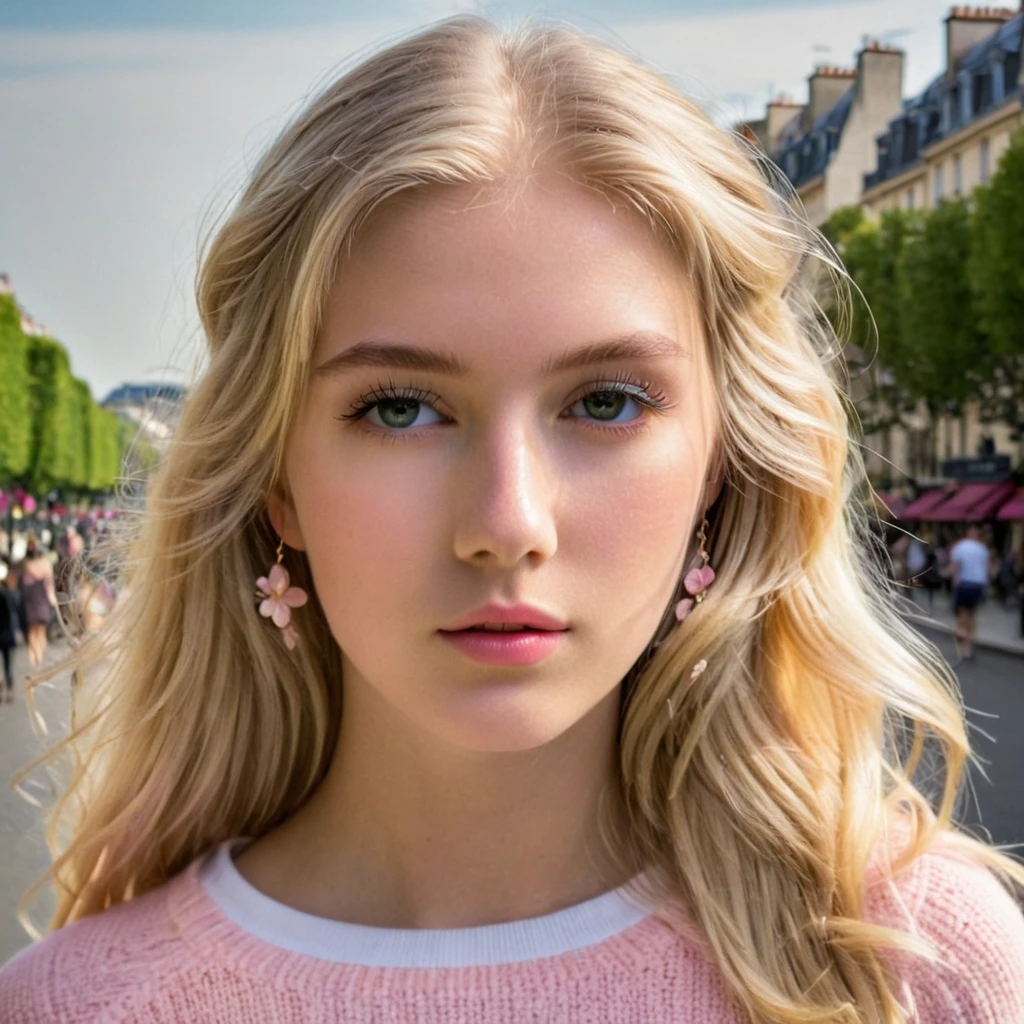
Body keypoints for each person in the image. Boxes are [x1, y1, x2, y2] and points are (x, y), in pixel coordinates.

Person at [3, 16, 1024, 1024]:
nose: (506, 522)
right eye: (399, 407)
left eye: (606, 402)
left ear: (722, 463)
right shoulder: (68, 1006)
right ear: (278, 477)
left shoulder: (919, 963)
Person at [948, 523, 993, 661]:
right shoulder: (983, 549)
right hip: (978, 586)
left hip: (964, 584)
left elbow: (954, 567)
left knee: (962, 614)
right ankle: (969, 646)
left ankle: (962, 647)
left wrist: (952, 578)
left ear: (968, 534)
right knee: (972, 615)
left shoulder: (960, 547)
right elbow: (988, 570)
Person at [18, 538, 57, 667]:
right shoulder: (45, 565)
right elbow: (49, 584)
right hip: (41, 600)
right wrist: (53, 600)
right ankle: (39, 654)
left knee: (33, 630)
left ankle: (34, 654)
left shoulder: (25, 565)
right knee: (40, 629)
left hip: (31, 601)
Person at [0, 559, 20, 703]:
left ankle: (3, 688)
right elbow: (14, 614)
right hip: (6, 634)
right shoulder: (9, 594)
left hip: (5, 634)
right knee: (8, 664)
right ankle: (9, 689)